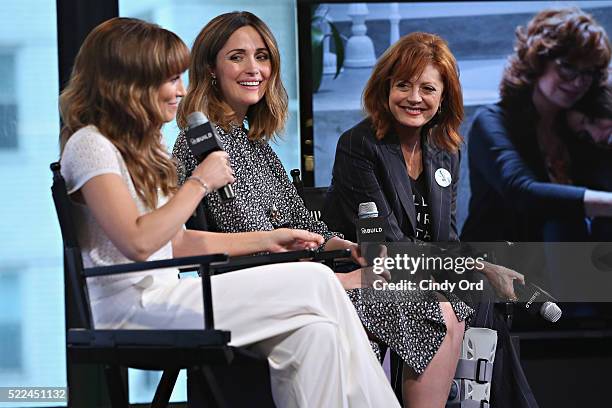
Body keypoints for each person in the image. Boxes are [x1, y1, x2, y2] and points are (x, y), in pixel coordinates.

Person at [58, 17, 400, 408]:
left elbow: (179, 242)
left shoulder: (141, 148)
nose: (181, 91)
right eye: (170, 79)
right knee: (319, 281)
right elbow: (137, 243)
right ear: (128, 80)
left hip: (171, 296)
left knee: (316, 333)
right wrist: (199, 183)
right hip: (133, 310)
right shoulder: (90, 146)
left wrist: (270, 238)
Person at [172, 12, 482, 408]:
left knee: (448, 298)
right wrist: (338, 270)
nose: (254, 69)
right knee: (427, 302)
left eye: (262, 57)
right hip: (258, 285)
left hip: (299, 274)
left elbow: (301, 223)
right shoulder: (202, 145)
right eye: (237, 57)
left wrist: (342, 244)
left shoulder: (255, 144)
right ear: (211, 69)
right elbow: (248, 234)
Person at [321, 32, 537, 408]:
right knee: (458, 294)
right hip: (373, 272)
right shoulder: (359, 145)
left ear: (444, 96)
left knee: (481, 294)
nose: (415, 98)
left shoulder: (444, 150)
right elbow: (387, 244)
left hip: (425, 273)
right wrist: (475, 264)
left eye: (427, 88)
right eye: (403, 85)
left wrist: (480, 266)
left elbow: (446, 238)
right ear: (385, 88)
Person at [461, 8, 612, 243]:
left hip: (559, 265)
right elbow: (522, 192)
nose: (579, 81)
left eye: (588, 72)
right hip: (496, 265)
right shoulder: (491, 121)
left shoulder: (575, 125)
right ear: (538, 60)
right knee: (565, 220)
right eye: (568, 66)